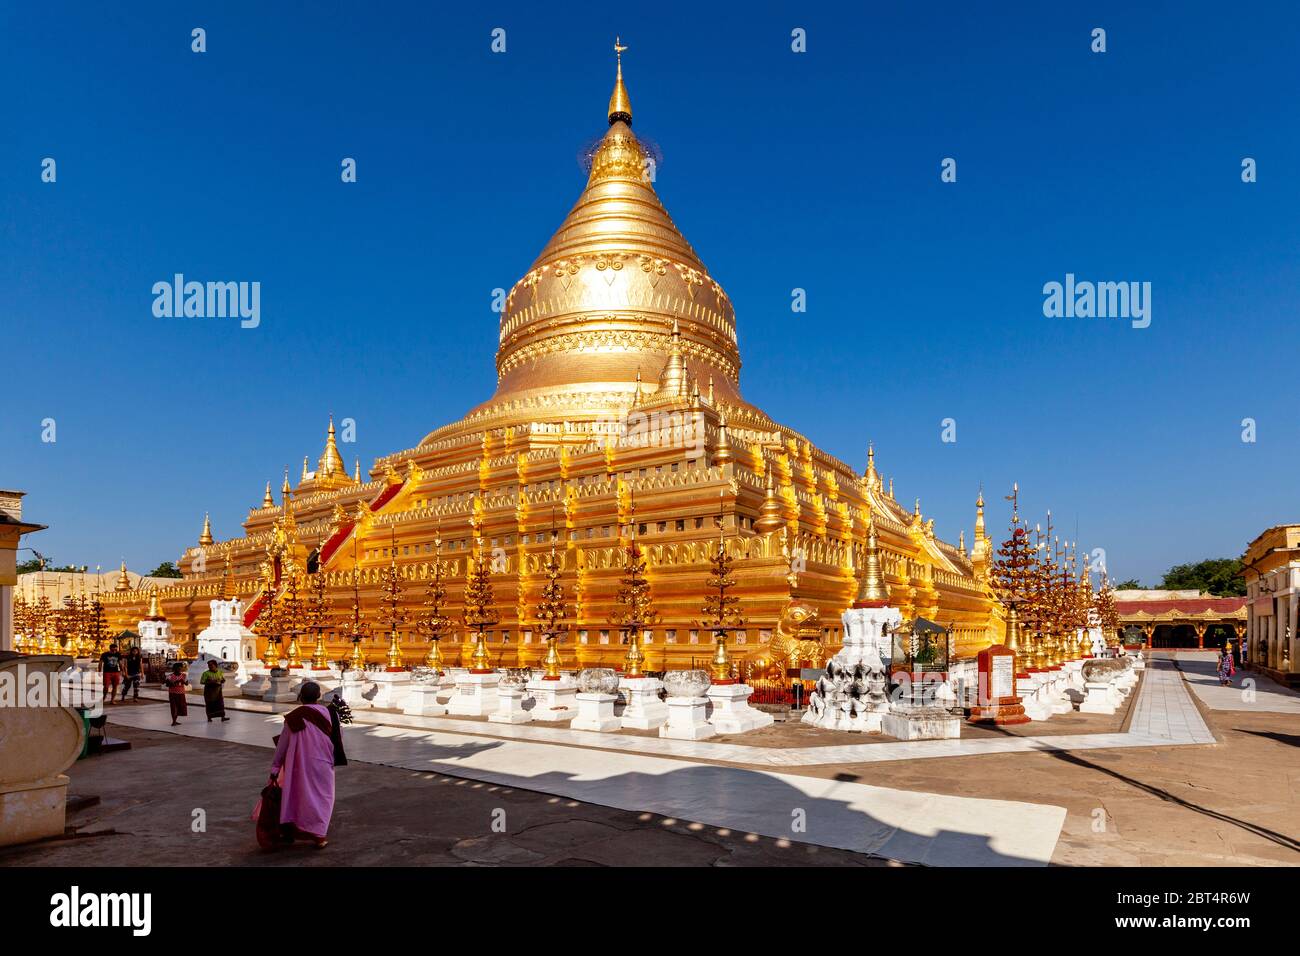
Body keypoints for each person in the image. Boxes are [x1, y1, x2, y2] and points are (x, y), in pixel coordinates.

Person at [265, 682, 345, 849]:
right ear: (318, 697)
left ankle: (294, 830)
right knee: (323, 798)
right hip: (323, 764)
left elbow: (283, 746)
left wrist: (275, 767)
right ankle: (319, 835)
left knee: (298, 797)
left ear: (300, 697)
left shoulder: (294, 717)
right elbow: (338, 739)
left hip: (299, 765)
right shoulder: (331, 714)